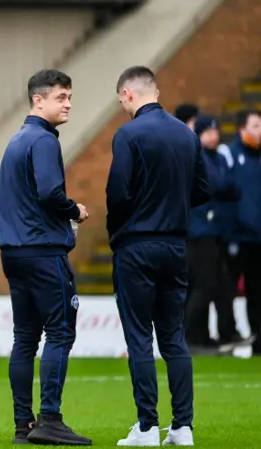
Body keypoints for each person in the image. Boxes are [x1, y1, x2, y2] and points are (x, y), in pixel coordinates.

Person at [107, 66, 210, 447]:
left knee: (139, 338)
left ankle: (147, 427)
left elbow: (117, 193)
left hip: (137, 245)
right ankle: (183, 427)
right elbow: (204, 188)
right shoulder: (187, 134)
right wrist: (175, 205)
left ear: (129, 94)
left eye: (120, 100)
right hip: (176, 245)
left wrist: (119, 231)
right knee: (173, 337)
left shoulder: (129, 134)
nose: (121, 107)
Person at [0, 69, 92, 447]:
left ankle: (24, 425)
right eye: (61, 97)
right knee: (60, 331)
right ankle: (50, 419)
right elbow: (51, 192)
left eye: (69, 97)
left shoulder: (16, 141)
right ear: (39, 100)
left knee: (24, 338)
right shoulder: (43, 140)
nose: (68, 103)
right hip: (43, 252)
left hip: (14, 252)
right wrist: (75, 211)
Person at [185, 115, 243, 354]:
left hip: (216, 232)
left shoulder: (218, 157)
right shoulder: (196, 158)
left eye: (215, 131)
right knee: (204, 286)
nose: (213, 136)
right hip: (199, 233)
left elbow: (229, 185)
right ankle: (189, 337)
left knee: (223, 287)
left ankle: (223, 334)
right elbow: (217, 185)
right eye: (207, 132)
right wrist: (227, 188)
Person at [218, 109, 261, 356]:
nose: (259, 131)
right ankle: (227, 338)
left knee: (257, 293)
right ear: (242, 129)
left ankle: (258, 342)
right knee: (227, 290)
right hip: (236, 237)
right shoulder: (229, 155)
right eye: (255, 126)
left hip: (257, 238)